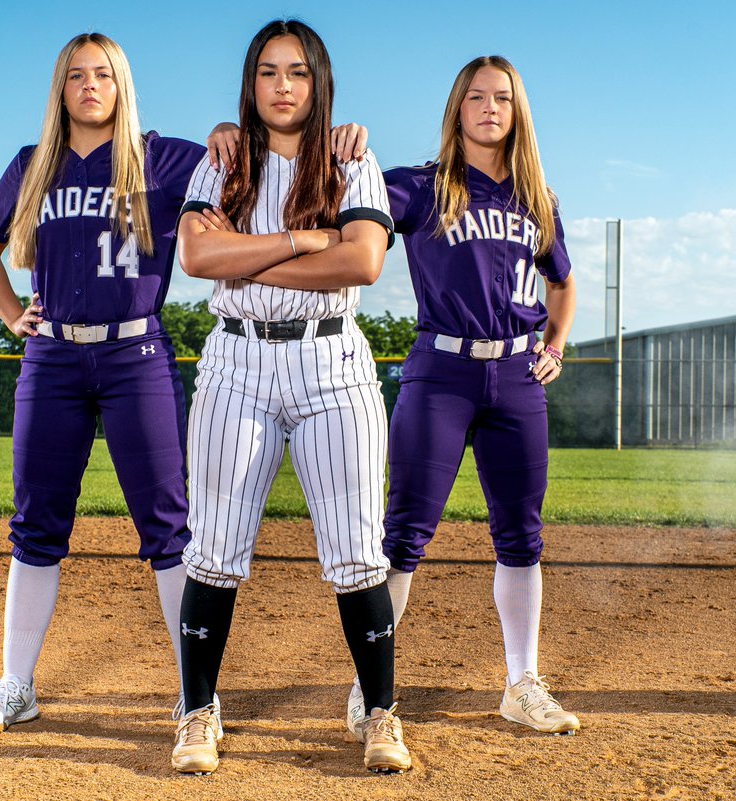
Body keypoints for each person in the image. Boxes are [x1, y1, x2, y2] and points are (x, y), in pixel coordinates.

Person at [0, 33, 368, 736]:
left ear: (122, 85)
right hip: (53, 357)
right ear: (60, 89)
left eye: (104, 74)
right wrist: (9, 314)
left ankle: (194, 691)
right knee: (35, 522)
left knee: (169, 524)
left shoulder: (165, 156)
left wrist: (292, 136)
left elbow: (246, 150)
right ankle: (15, 683)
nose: (90, 86)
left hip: (134, 354)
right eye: (77, 76)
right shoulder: (33, 165)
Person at [170, 19, 411, 775]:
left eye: (298, 72)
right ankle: (198, 714)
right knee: (212, 549)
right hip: (236, 362)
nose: (282, 85)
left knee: (355, 550)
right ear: (250, 84)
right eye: (268, 71)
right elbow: (197, 255)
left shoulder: (351, 157)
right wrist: (308, 243)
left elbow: (364, 261)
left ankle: (380, 715)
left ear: (319, 82)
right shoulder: (223, 160)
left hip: (331, 362)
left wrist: (248, 260)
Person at [372, 55, 580, 736]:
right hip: (441, 371)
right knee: (404, 533)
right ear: (457, 108)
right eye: (477, 96)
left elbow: (563, 282)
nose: (491, 107)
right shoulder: (419, 186)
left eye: (503, 98)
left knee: (520, 536)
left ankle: (522, 682)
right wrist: (346, 148)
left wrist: (553, 346)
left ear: (517, 113)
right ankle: (371, 688)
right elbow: (351, 204)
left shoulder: (536, 198)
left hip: (518, 377)